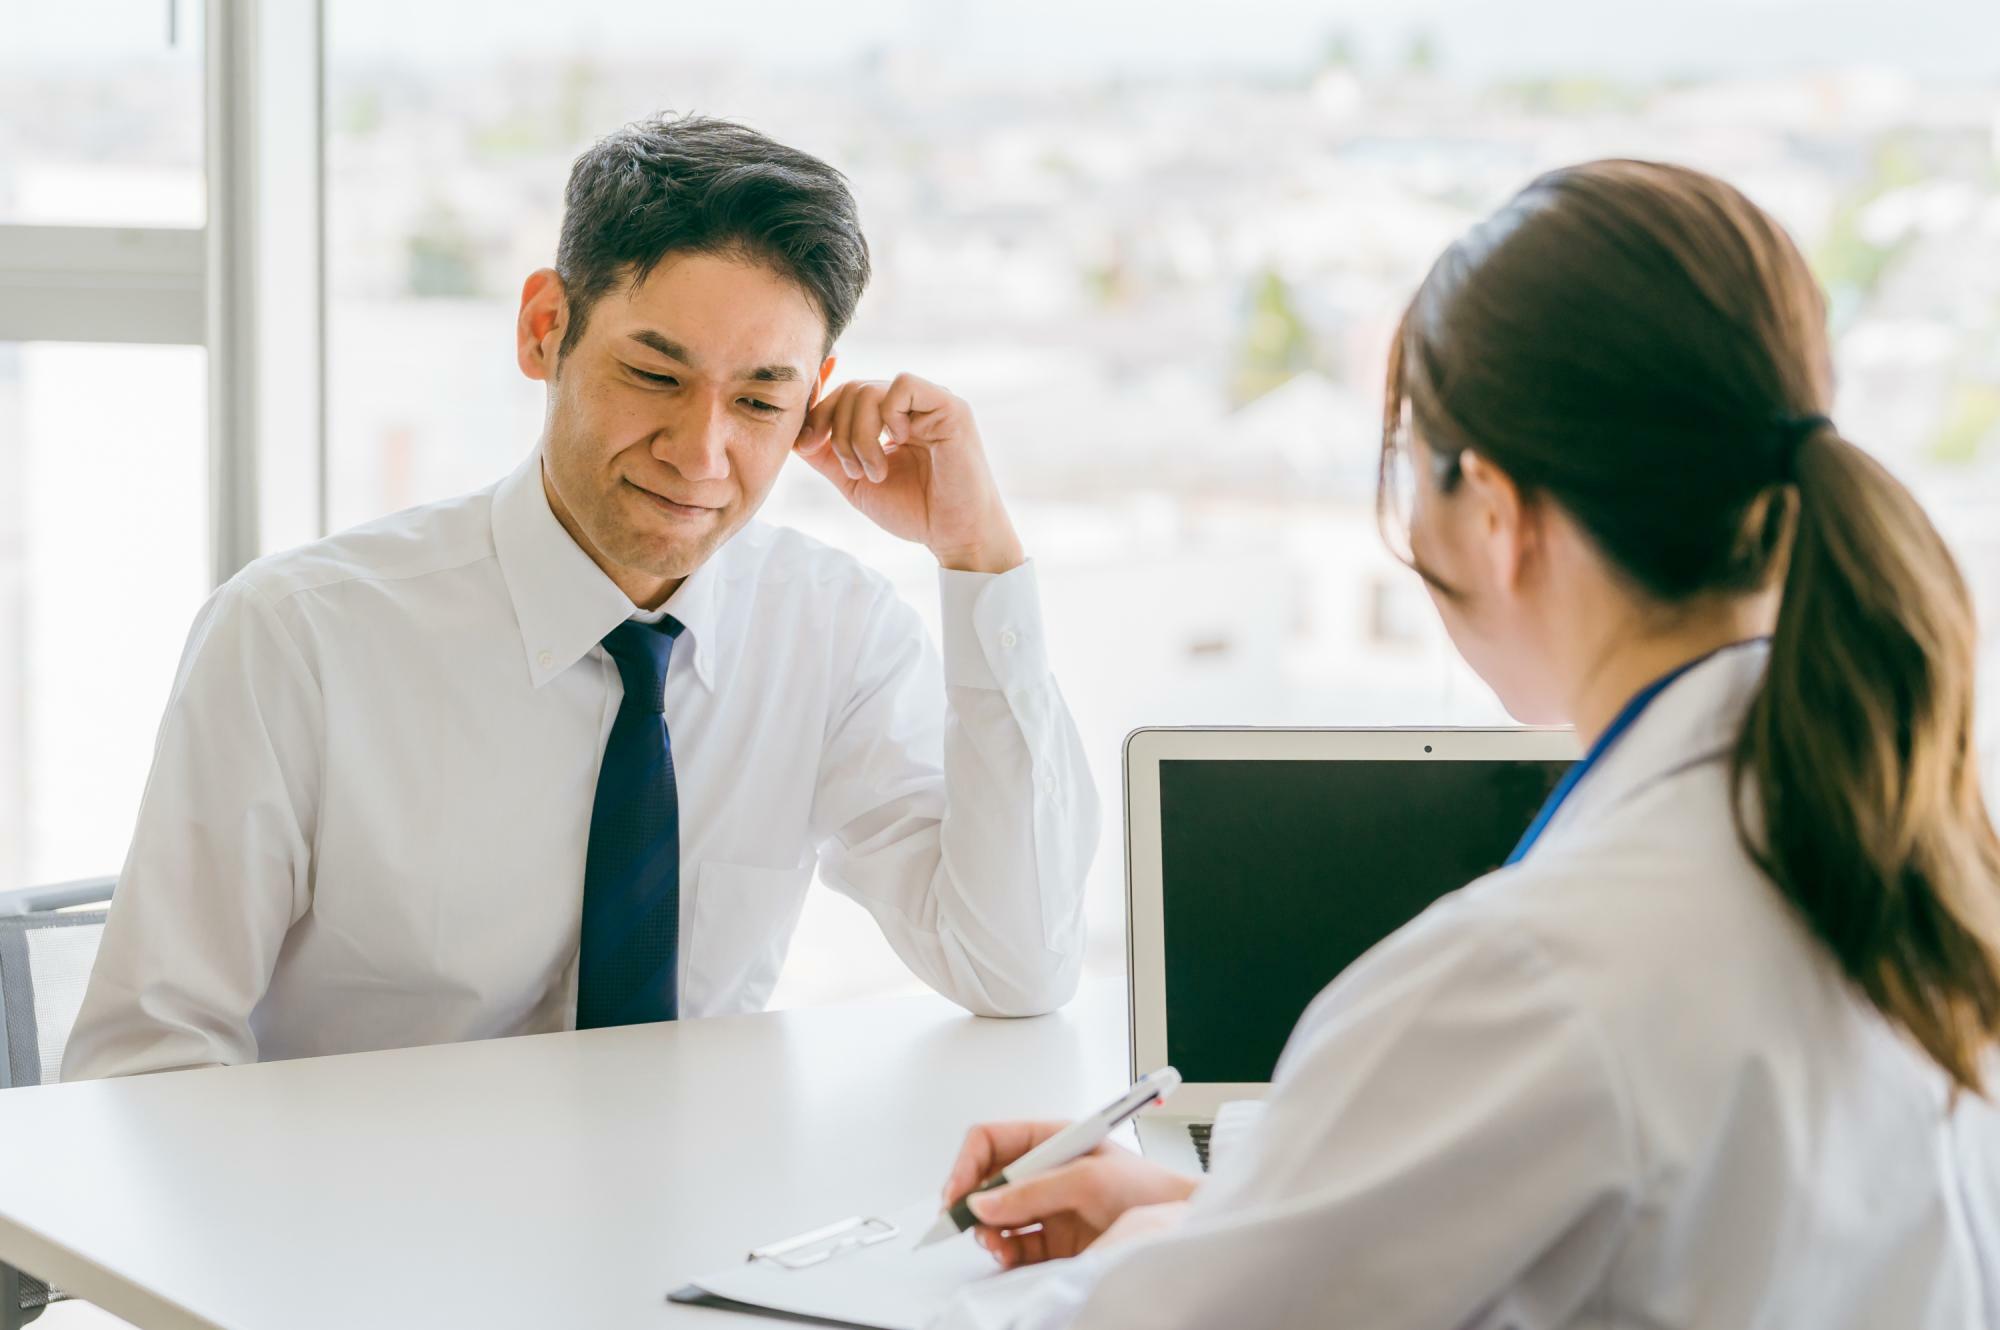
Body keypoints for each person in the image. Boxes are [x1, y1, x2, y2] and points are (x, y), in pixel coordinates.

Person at [930, 160, 2000, 1329]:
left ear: (1491, 512)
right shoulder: (1907, 854)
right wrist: (1226, 1220)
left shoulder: (1534, 978)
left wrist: (1144, 1257)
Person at [63, 115, 1099, 1079]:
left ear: (813, 395)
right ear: (543, 328)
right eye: (654, 375)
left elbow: (1014, 966)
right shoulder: (297, 639)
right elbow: (145, 1067)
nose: (701, 453)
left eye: (757, 400)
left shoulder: (834, 635)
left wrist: (976, 554)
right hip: (364, 1241)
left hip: (693, 1245)